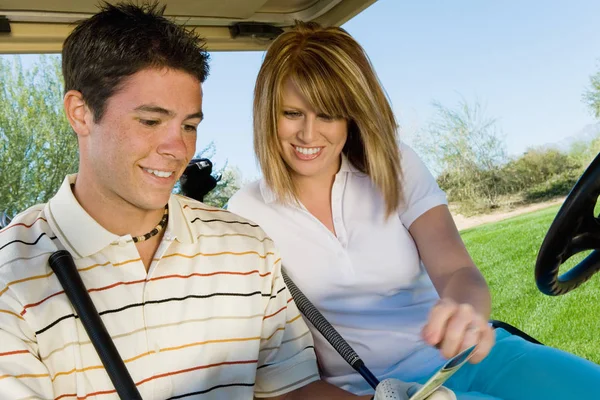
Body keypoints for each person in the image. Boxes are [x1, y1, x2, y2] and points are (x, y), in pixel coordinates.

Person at [0, 4, 381, 399]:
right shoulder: (10, 278)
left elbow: (294, 392)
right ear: (80, 113)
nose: (177, 148)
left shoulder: (247, 246)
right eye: (150, 121)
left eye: (189, 126)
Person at [227, 21, 600, 399]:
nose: (308, 135)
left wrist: (464, 310)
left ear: (352, 116)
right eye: (292, 114)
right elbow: (274, 376)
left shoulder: (395, 164)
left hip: (470, 360)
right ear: (267, 114)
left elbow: (456, 269)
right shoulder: (246, 214)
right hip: (373, 392)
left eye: (327, 115)